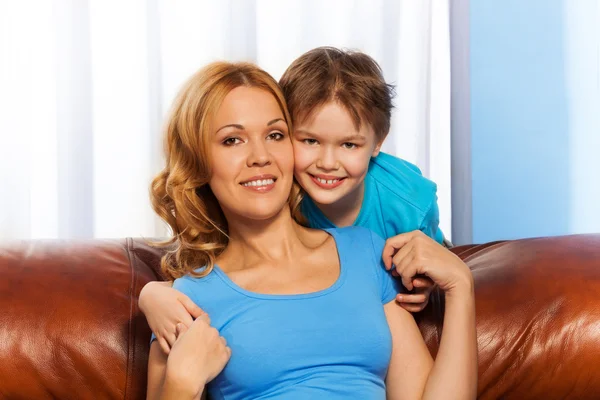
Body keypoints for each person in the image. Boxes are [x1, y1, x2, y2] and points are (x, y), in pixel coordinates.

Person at [145, 61, 477, 399]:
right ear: (198, 162)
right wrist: (181, 385)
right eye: (232, 140)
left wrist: (460, 285)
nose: (260, 156)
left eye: (275, 135)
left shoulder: (365, 250)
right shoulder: (187, 300)